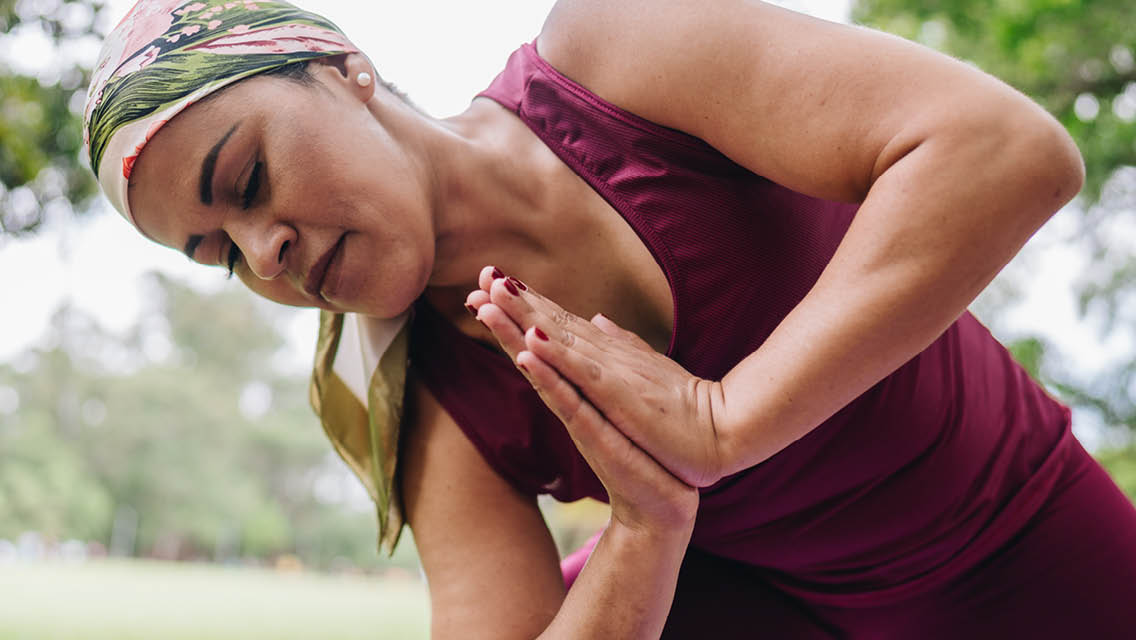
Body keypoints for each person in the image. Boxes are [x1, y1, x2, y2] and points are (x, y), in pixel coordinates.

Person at [84, 0, 1136, 637]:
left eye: (248, 176)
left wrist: (722, 424)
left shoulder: (616, 53)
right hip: (748, 607)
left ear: (345, 70)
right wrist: (647, 523)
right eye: (218, 252)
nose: (263, 250)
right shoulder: (424, 397)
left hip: (1012, 536)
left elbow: (1005, 152)